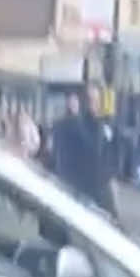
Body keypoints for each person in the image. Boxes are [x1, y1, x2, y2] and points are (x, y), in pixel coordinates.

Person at [51, 84, 115, 214]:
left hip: (96, 197)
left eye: (98, 101)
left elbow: (107, 160)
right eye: (91, 100)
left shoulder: (102, 126)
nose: (95, 106)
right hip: (77, 196)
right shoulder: (69, 126)